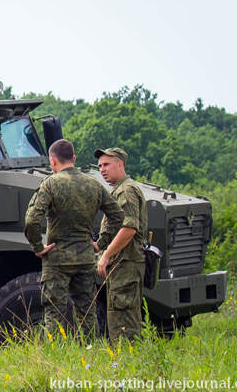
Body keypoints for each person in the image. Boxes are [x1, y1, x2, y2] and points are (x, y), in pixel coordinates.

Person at [24, 139, 124, 338]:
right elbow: (118, 216)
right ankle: (90, 353)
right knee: (87, 312)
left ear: (53, 161)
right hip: (85, 258)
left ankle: (53, 354)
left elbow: (31, 220)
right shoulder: (93, 184)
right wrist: (100, 244)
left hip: (56, 258)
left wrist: (38, 247)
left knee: (54, 312)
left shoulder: (50, 184)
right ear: (74, 158)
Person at [93, 147, 147, 342]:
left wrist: (106, 255)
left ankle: (128, 363)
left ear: (120, 164)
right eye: (100, 166)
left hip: (127, 264)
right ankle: (123, 361)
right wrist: (98, 246)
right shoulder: (118, 190)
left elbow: (129, 228)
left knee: (124, 322)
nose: (102, 169)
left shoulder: (126, 190)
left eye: (106, 164)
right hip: (122, 264)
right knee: (117, 317)